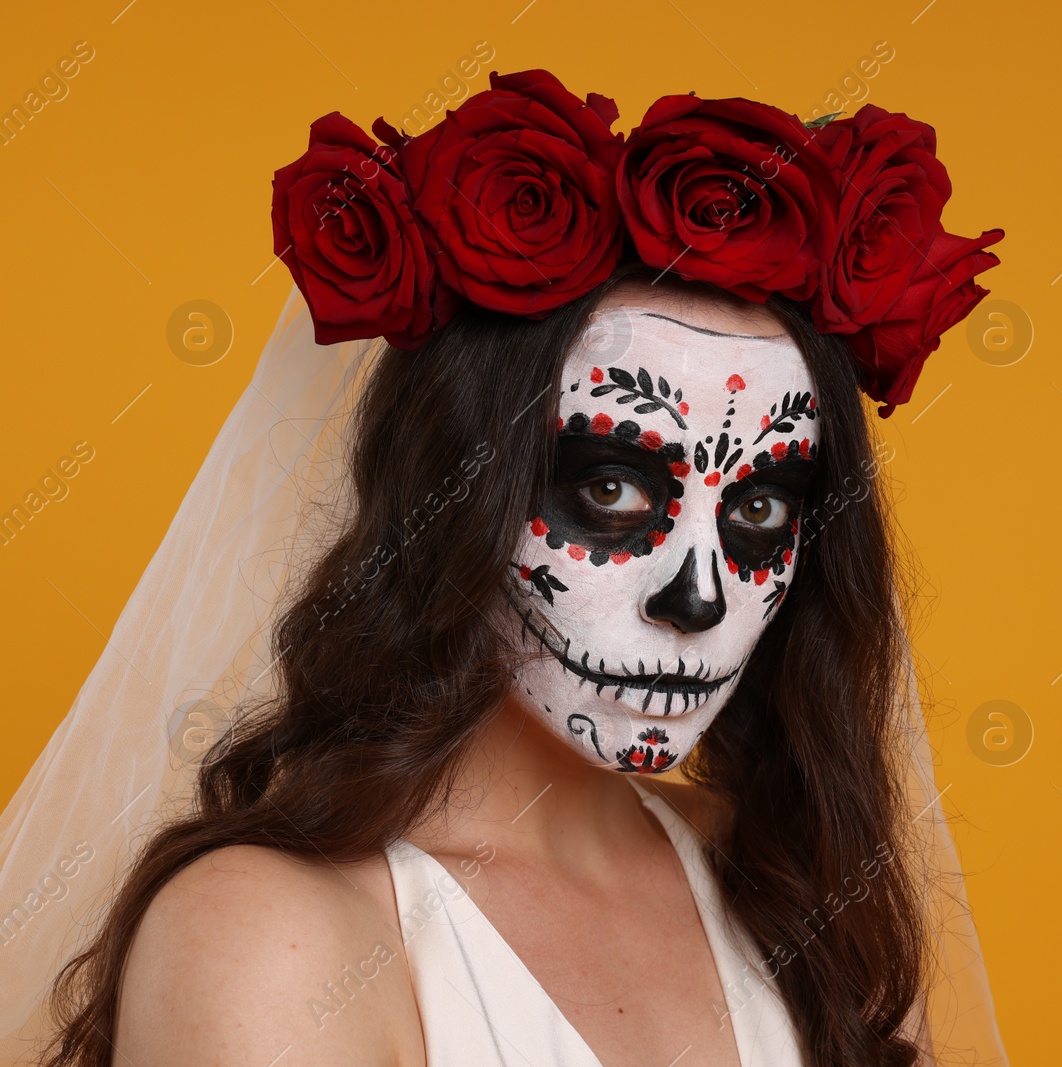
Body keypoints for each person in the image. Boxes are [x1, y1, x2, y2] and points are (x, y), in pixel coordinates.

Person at [2, 70, 1006, 1067]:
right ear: (455, 496)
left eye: (756, 508)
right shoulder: (273, 936)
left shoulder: (799, 890)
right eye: (612, 492)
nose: (697, 596)